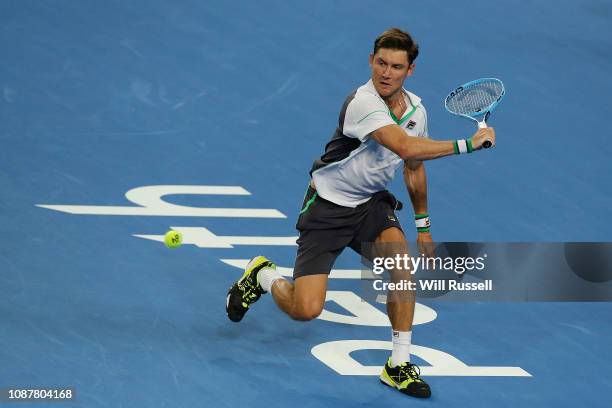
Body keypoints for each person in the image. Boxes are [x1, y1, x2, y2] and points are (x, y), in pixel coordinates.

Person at [226, 27, 495, 399]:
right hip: (327, 209)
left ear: (409, 71)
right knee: (305, 310)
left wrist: (424, 226)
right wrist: (468, 144)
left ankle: (397, 364)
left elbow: (413, 165)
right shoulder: (362, 102)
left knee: (402, 271)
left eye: (396, 67)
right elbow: (401, 145)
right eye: (381, 63)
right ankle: (263, 275)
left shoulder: (417, 111)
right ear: (371, 61)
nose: (386, 73)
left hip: (370, 204)